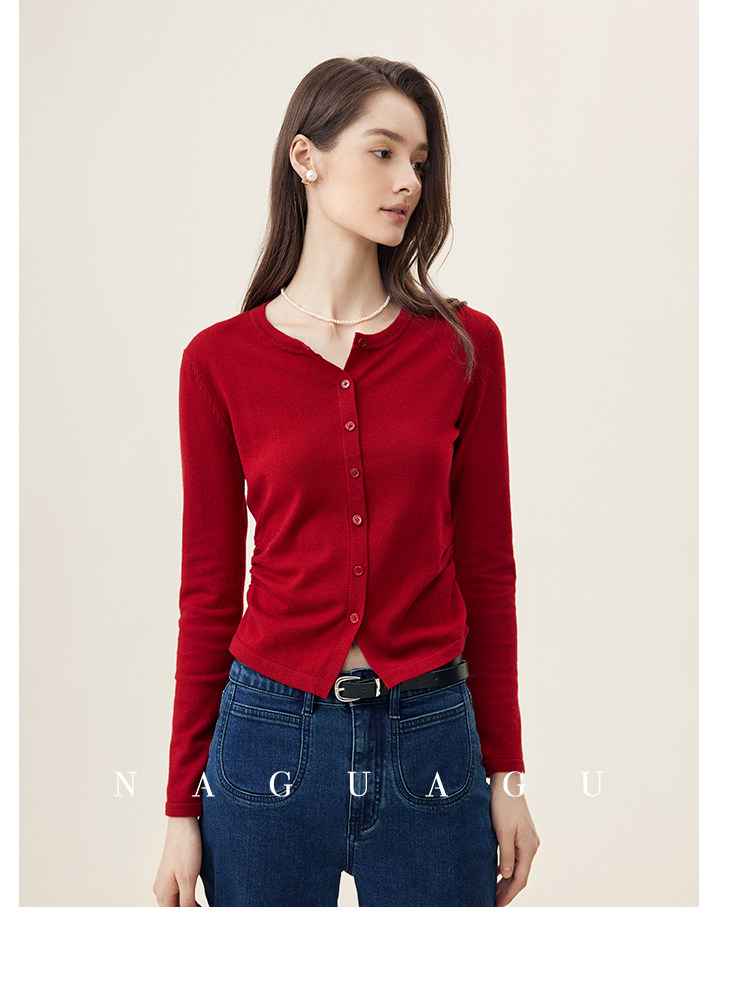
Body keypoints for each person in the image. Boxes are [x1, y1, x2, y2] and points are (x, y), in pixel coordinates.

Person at [153, 55, 540, 908]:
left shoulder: (465, 346)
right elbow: (209, 591)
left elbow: (488, 570)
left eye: (420, 161)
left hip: (432, 738)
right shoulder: (218, 362)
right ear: (307, 158)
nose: (409, 181)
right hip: (266, 741)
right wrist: (181, 806)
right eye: (383, 151)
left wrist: (507, 774)